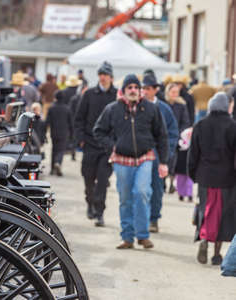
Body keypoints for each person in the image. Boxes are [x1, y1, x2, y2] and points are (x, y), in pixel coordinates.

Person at [94, 74, 169, 249]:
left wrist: (164, 161)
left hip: (145, 157)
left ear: (140, 90)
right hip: (121, 159)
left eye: (136, 87)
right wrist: (113, 146)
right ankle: (127, 237)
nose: (133, 90)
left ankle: (143, 235)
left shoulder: (150, 108)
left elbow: (162, 135)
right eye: (130, 87)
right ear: (124, 90)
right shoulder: (112, 109)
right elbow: (99, 131)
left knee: (142, 193)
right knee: (125, 198)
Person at [188, 92, 236, 265]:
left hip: (205, 177)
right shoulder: (232, 126)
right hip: (227, 179)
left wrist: (193, 174)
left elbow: (193, 154)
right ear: (226, 106)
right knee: (223, 215)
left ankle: (203, 240)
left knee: (206, 211)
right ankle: (216, 254)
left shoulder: (200, 125)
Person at [74, 62, 117, 226]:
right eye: (101, 74)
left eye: (106, 74)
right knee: (88, 177)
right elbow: (78, 118)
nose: (103, 77)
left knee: (103, 179)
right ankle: (90, 202)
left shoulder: (116, 95)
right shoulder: (89, 94)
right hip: (90, 143)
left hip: (108, 146)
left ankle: (99, 212)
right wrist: (80, 139)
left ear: (111, 77)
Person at [142, 75, 179, 233]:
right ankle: (141, 219)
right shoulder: (137, 107)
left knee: (156, 188)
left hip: (157, 156)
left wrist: (166, 153)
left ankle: (154, 219)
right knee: (140, 190)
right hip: (140, 155)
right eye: (142, 88)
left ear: (155, 90)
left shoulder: (164, 109)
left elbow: (172, 133)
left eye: (147, 89)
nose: (144, 91)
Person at [164, 83, 190, 197]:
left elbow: (185, 121)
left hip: (175, 137)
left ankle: (171, 182)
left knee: (173, 161)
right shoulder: (163, 105)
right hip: (163, 136)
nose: (175, 94)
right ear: (168, 92)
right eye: (173, 92)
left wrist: (180, 134)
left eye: (176, 92)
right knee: (163, 159)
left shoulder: (181, 105)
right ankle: (163, 181)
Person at [45, 90, 73, 176]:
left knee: (54, 149)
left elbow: (47, 121)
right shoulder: (67, 108)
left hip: (54, 132)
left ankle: (52, 169)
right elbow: (71, 123)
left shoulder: (51, 108)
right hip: (64, 132)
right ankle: (58, 162)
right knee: (61, 150)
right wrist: (72, 134)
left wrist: (44, 133)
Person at [62, 75, 82, 160]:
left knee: (66, 133)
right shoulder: (78, 94)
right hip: (75, 116)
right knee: (74, 134)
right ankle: (73, 153)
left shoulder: (64, 91)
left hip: (66, 115)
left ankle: (65, 149)